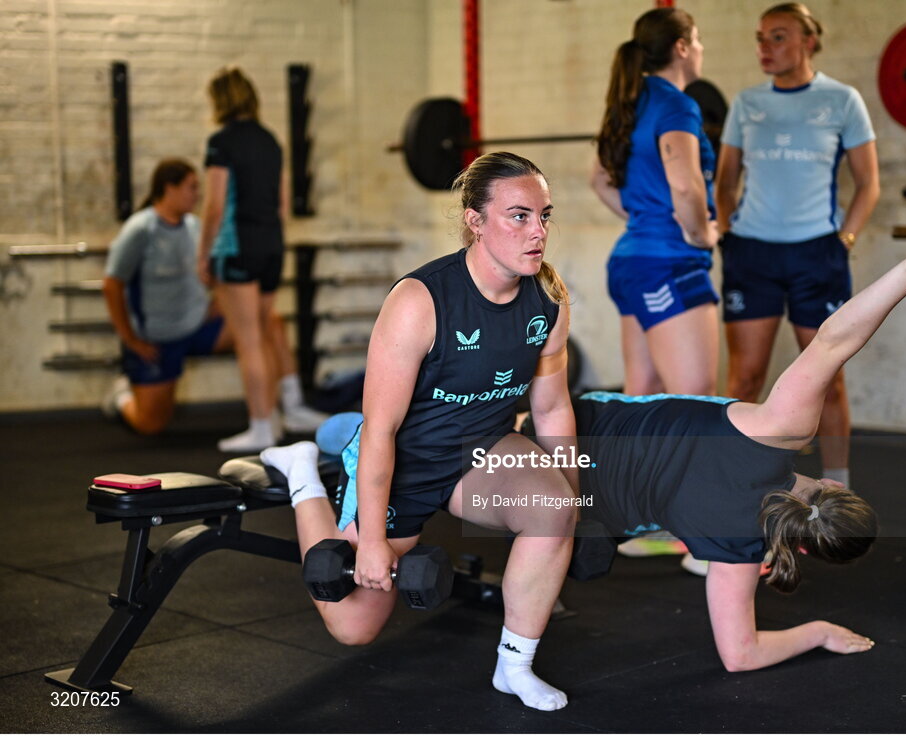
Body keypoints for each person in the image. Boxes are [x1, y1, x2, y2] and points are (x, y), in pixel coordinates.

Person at [270, 230, 906, 674]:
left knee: (360, 609)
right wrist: (819, 629)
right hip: (522, 454)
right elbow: (740, 656)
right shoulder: (738, 555)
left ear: (823, 486)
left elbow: (836, 337)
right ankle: (338, 447)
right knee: (383, 444)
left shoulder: (782, 429)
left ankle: (311, 467)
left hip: (532, 487)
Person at [260, 152, 579, 711]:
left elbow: (551, 410)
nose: (538, 232)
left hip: (480, 451)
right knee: (353, 626)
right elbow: (381, 429)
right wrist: (375, 542)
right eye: (520, 216)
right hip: (402, 460)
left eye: (544, 216)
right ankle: (303, 471)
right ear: (476, 221)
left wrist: (574, 502)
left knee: (555, 507)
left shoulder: (548, 301)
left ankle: (514, 667)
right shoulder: (420, 301)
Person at [715, 2, 881, 489]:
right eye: (761, 38)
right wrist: (728, 233)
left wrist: (843, 239)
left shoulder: (842, 100)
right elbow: (724, 183)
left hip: (817, 255)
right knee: (745, 380)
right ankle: (728, 482)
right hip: (752, 255)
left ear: (809, 41)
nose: (765, 47)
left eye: (779, 37)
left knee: (828, 380)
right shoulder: (746, 102)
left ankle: (837, 487)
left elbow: (868, 183)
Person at [592, 7, 720, 398]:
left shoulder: (628, 101)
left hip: (631, 263)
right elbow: (685, 186)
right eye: (696, 40)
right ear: (681, 47)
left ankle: (627, 464)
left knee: (644, 395)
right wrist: (702, 234)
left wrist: (646, 217)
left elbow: (599, 181)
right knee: (694, 404)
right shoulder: (676, 105)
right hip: (669, 261)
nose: (700, 48)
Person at [197, 66, 325, 452]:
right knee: (265, 330)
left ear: (221, 100)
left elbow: (215, 205)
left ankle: (261, 427)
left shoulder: (222, 142)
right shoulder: (271, 141)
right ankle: (275, 417)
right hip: (270, 245)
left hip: (238, 249)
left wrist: (203, 254)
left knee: (248, 338)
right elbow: (282, 204)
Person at [102, 158, 232, 434]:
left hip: (197, 327)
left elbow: (215, 272)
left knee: (261, 326)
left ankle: (270, 420)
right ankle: (121, 395)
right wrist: (131, 339)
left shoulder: (196, 227)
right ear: (168, 188)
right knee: (151, 424)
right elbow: (112, 285)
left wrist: (219, 302)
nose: (197, 195)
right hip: (157, 340)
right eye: (191, 188)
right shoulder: (140, 230)